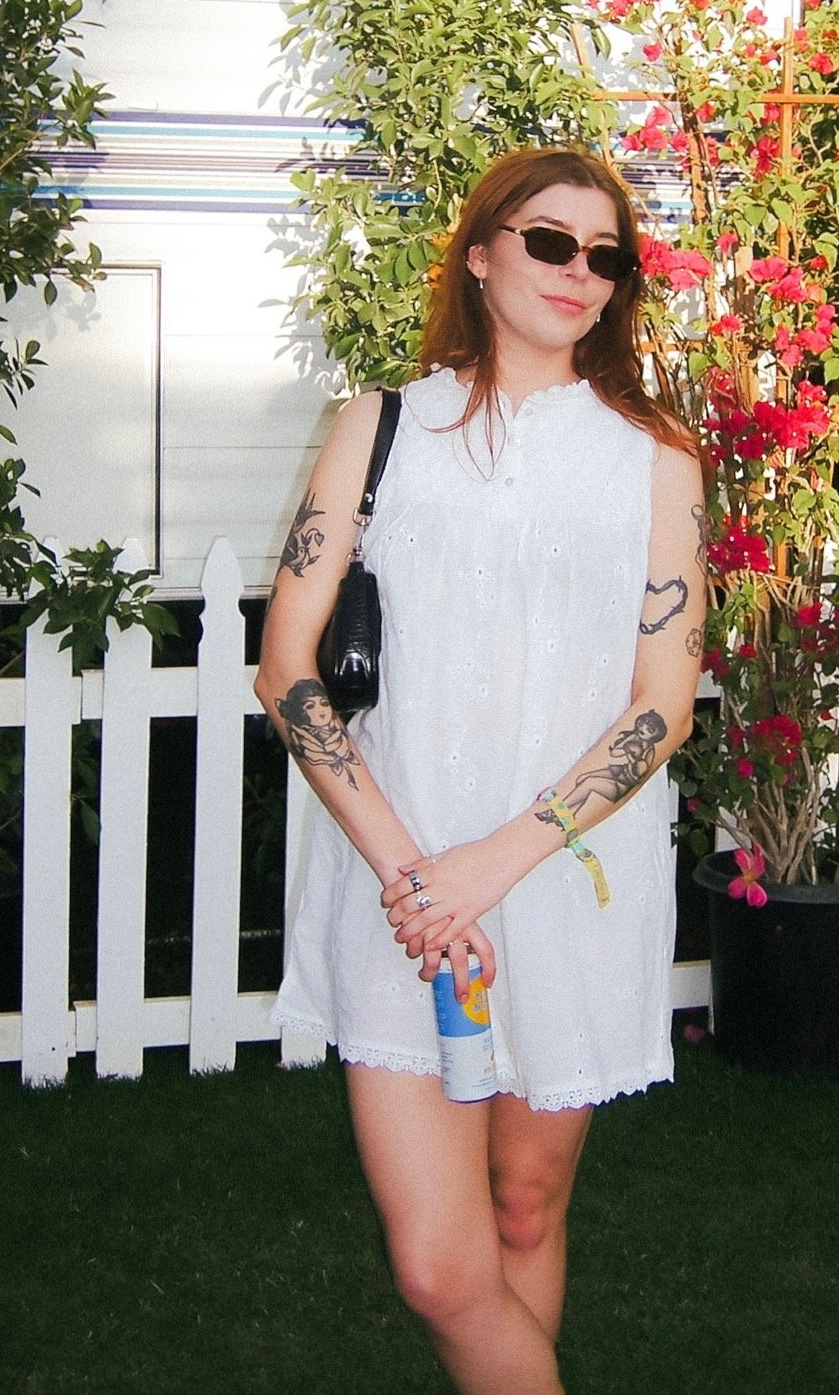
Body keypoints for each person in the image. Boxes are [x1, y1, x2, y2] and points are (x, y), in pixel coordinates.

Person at [257, 147, 706, 1395]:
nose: (579, 271)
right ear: (479, 253)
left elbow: (661, 709)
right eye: (549, 240)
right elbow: (285, 666)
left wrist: (491, 868)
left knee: (522, 1209)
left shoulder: (654, 458)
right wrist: (418, 878)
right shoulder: (381, 426)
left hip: (565, 879)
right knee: (437, 1269)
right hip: (399, 889)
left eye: (606, 255)